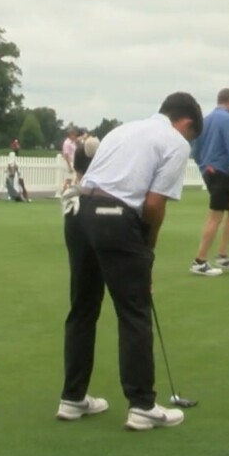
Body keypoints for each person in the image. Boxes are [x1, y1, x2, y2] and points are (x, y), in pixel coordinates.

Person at [57, 91, 202, 432]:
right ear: (186, 123)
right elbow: (153, 205)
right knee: (134, 311)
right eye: (191, 134)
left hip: (78, 213)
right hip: (115, 216)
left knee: (83, 307)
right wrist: (146, 254)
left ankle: (72, 398)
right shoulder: (176, 142)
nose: (188, 140)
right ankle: (142, 406)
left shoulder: (122, 130)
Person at [190, 88, 229, 277]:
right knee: (215, 215)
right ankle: (200, 261)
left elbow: (195, 149)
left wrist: (203, 165)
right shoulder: (228, 119)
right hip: (221, 171)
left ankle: (222, 255)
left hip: (210, 170)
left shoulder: (205, 120)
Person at [60, 127, 78, 194]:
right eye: (74, 134)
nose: (75, 136)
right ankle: (64, 193)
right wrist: (69, 166)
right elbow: (66, 155)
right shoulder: (67, 143)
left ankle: (67, 193)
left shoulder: (72, 142)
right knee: (68, 179)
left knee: (70, 180)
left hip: (72, 162)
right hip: (69, 162)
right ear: (70, 134)